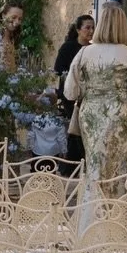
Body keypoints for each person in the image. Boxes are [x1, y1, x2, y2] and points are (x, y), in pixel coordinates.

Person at [61, 3, 127, 228]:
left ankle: (89, 224)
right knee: (122, 166)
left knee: (95, 164)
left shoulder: (84, 52)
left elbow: (70, 90)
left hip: (91, 112)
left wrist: (91, 88)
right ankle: (121, 224)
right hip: (121, 112)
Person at [52, 13, 96, 165]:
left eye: (93, 28)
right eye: (87, 28)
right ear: (78, 30)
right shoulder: (68, 48)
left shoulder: (93, 49)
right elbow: (58, 70)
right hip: (70, 96)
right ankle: (71, 165)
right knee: (75, 129)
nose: (90, 31)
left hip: (88, 96)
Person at [0, 2, 26, 71]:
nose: (17, 22)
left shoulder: (14, 40)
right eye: (13, 17)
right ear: (3, 15)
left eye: (20, 19)